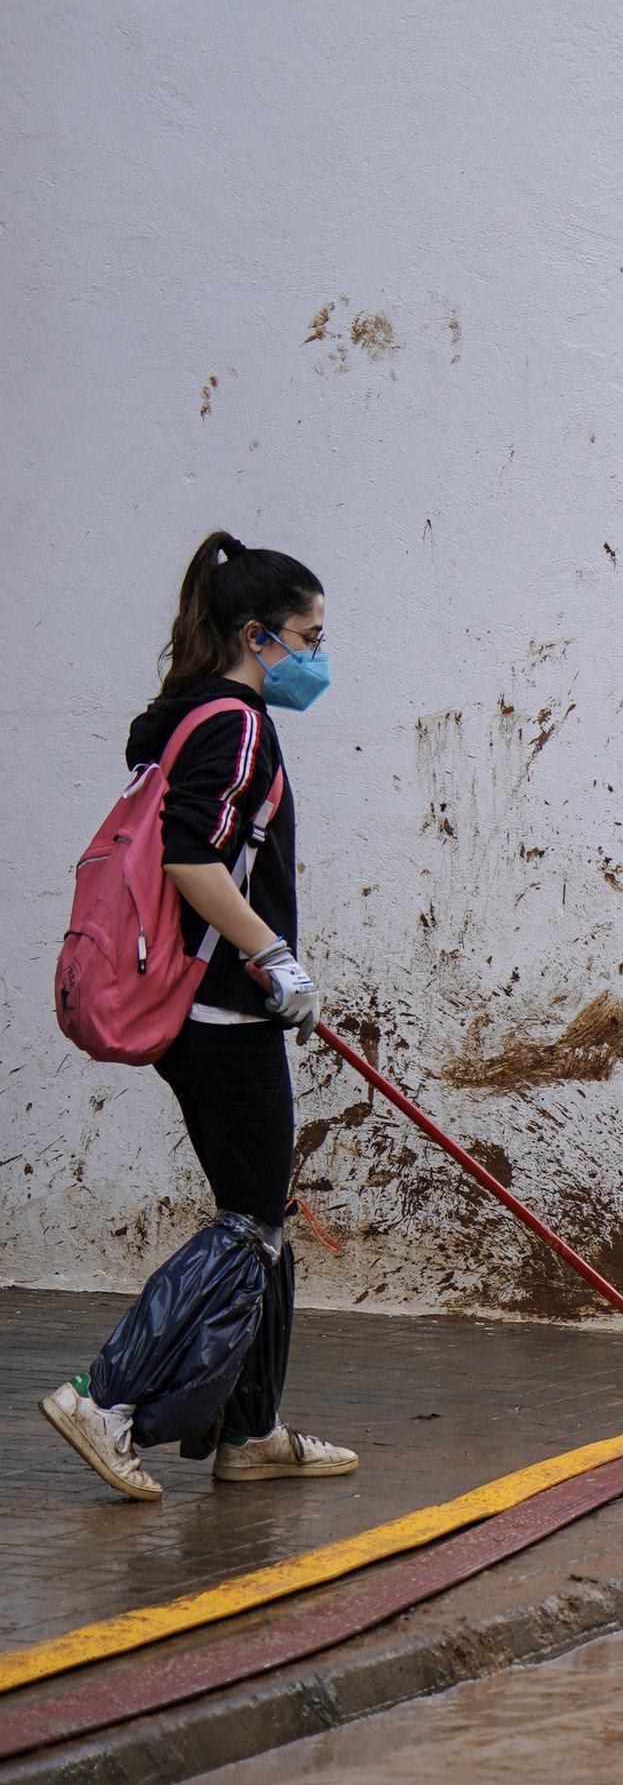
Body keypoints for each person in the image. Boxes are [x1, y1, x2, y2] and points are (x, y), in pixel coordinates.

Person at [43, 533, 356, 1503]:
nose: (318, 655)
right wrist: (271, 955)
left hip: (216, 1008)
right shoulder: (236, 724)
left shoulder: (187, 718)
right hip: (219, 1008)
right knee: (251, 1221)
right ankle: (109, 1396)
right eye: (307, 636)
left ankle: (250, 1430)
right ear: (258, 637)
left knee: (265, 1213)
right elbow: (190, 858)